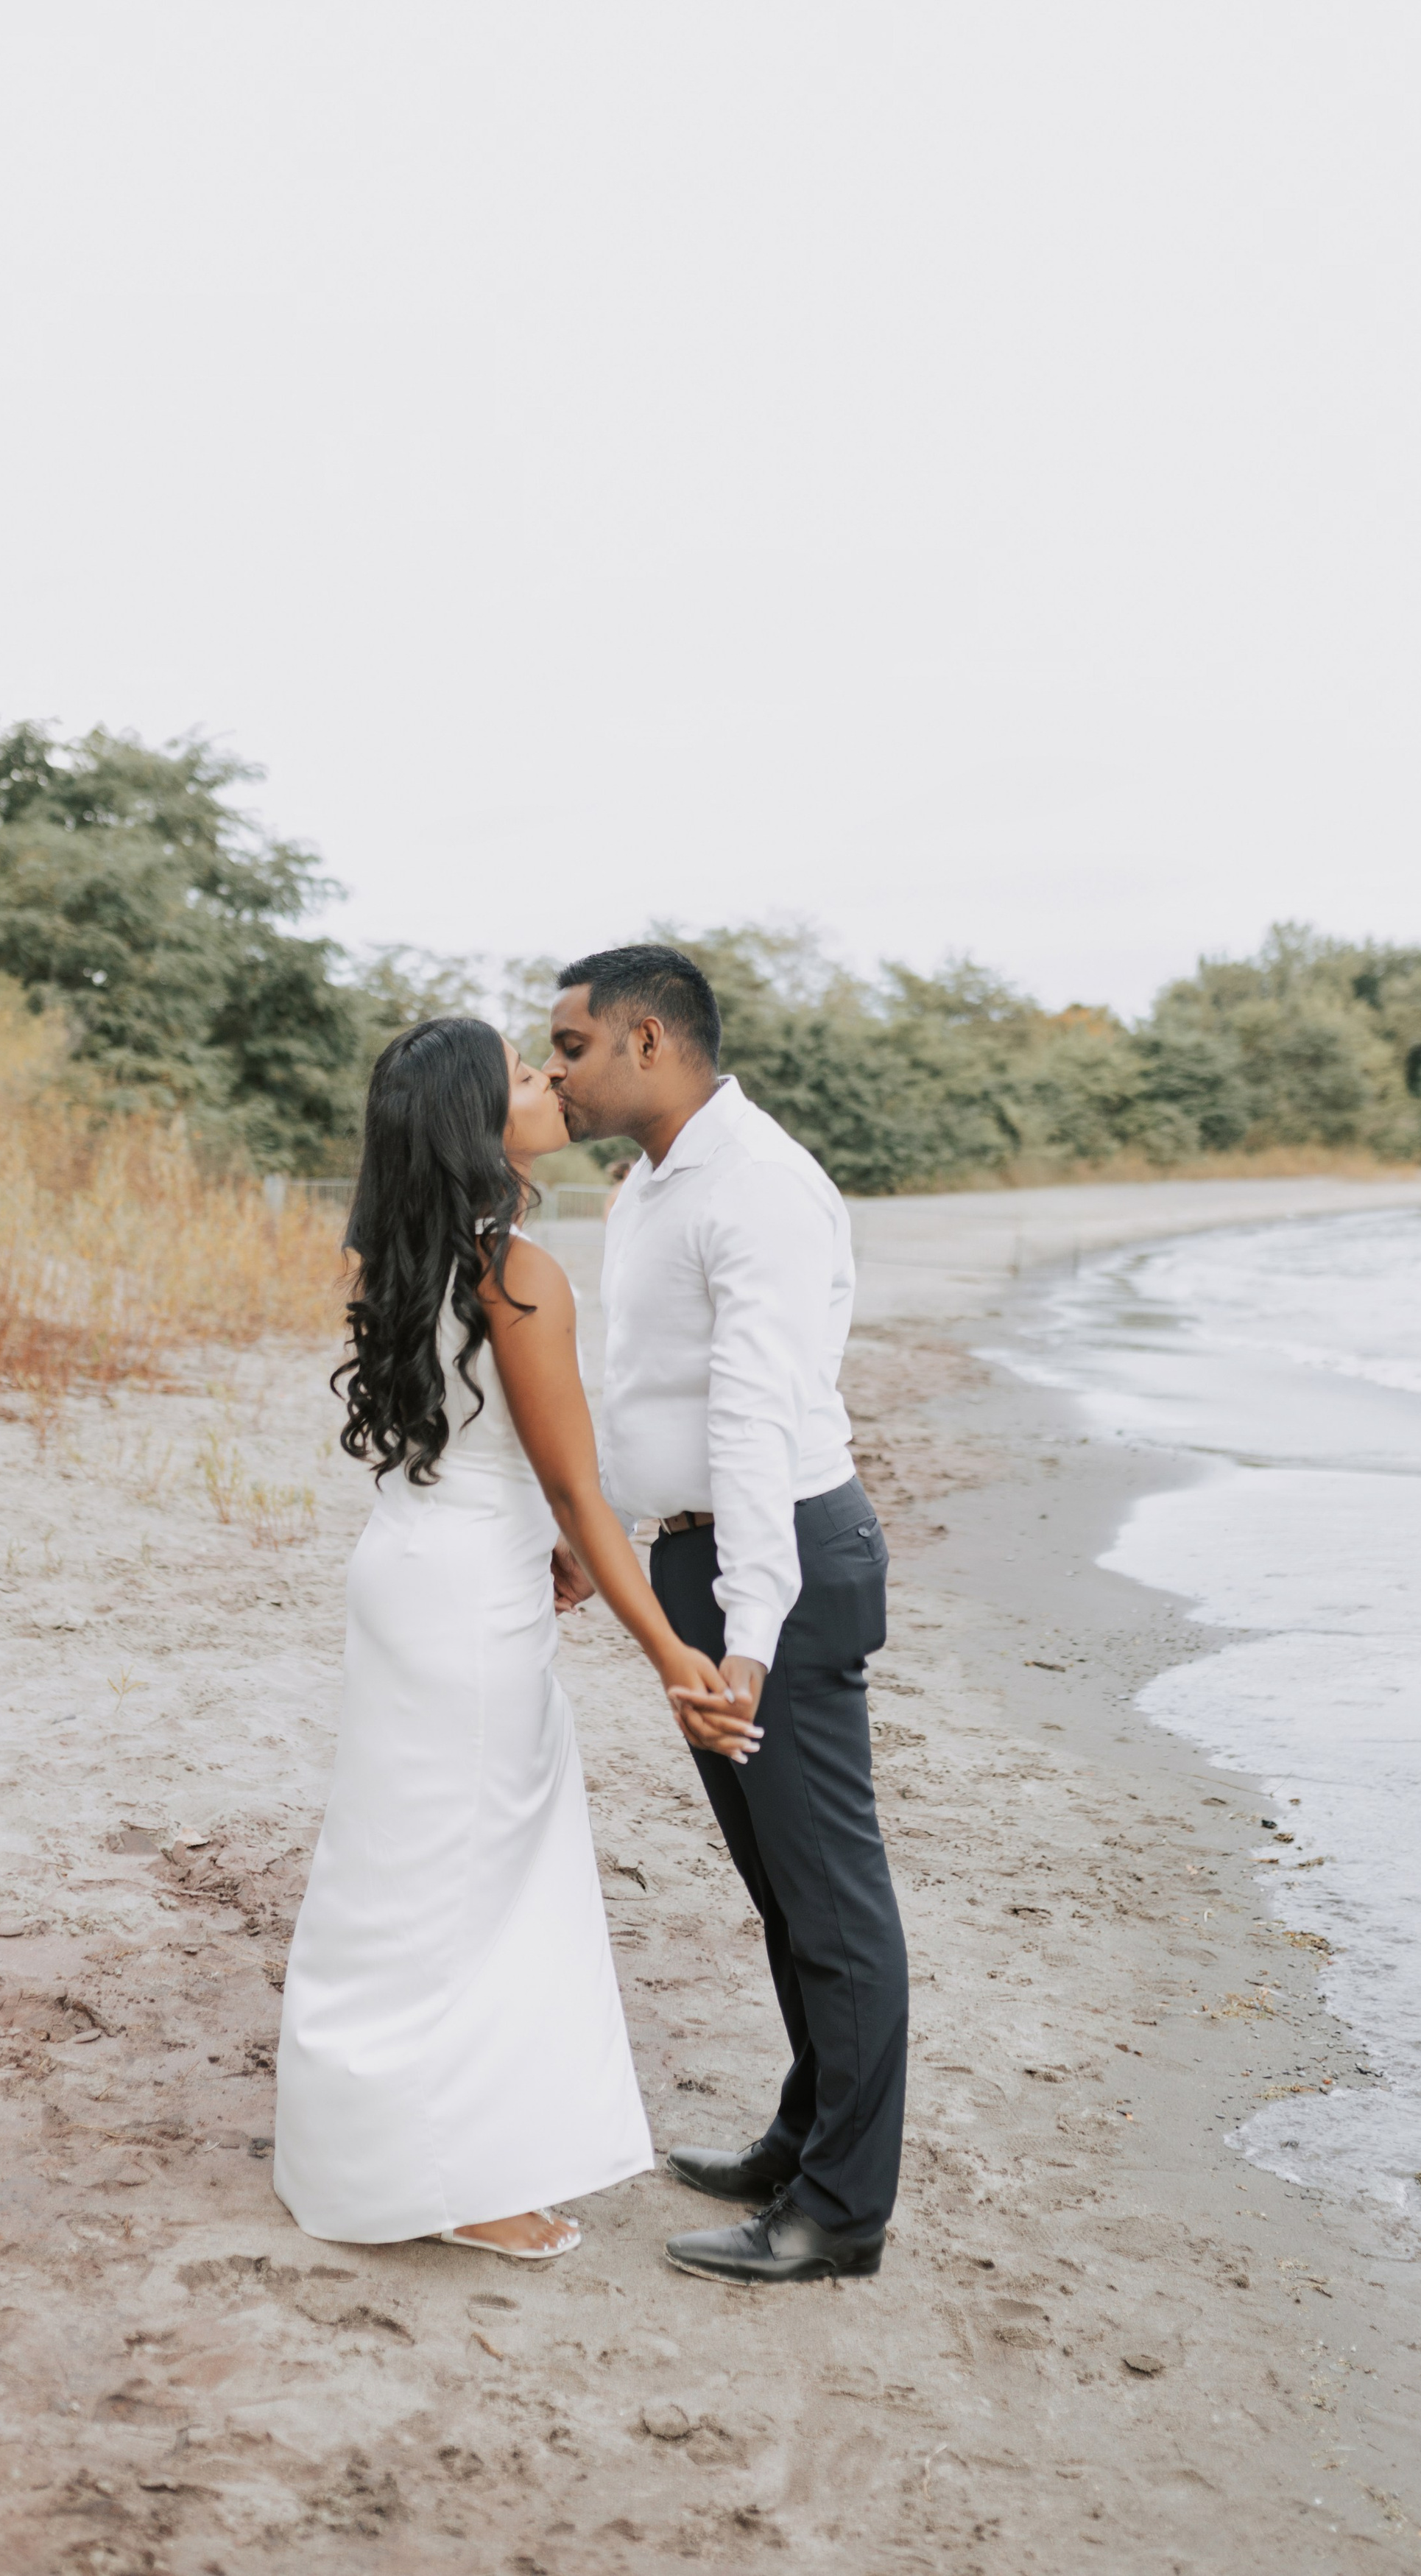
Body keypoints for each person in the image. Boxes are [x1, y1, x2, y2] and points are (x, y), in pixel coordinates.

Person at [272, 1015, 747, 2264]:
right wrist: (673, 1657)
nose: (547, 1081)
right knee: (468, 1881)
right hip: (467, 1605)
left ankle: (361, 2147)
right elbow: (582, 1489)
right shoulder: (520, 1268)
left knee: (394, 1867)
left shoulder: (402, 1258)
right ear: (480, 1125)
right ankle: (461, 2180)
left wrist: (553, 1541)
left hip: (410, 1565)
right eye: (523, 1075)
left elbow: (482, 1454)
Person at [545, 944, 908, 2287]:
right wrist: (613, 1546)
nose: (556, 1074)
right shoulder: (653, 1182)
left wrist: (748, 1634)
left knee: (833, 1902)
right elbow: (662, 1395)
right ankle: (802, 2138)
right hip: (705, 1557)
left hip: (785, 1565)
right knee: (782, 1893)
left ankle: (839, 2214)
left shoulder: (756, 1186)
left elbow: (756, 1418)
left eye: (572, 1047)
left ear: (648, 1041)